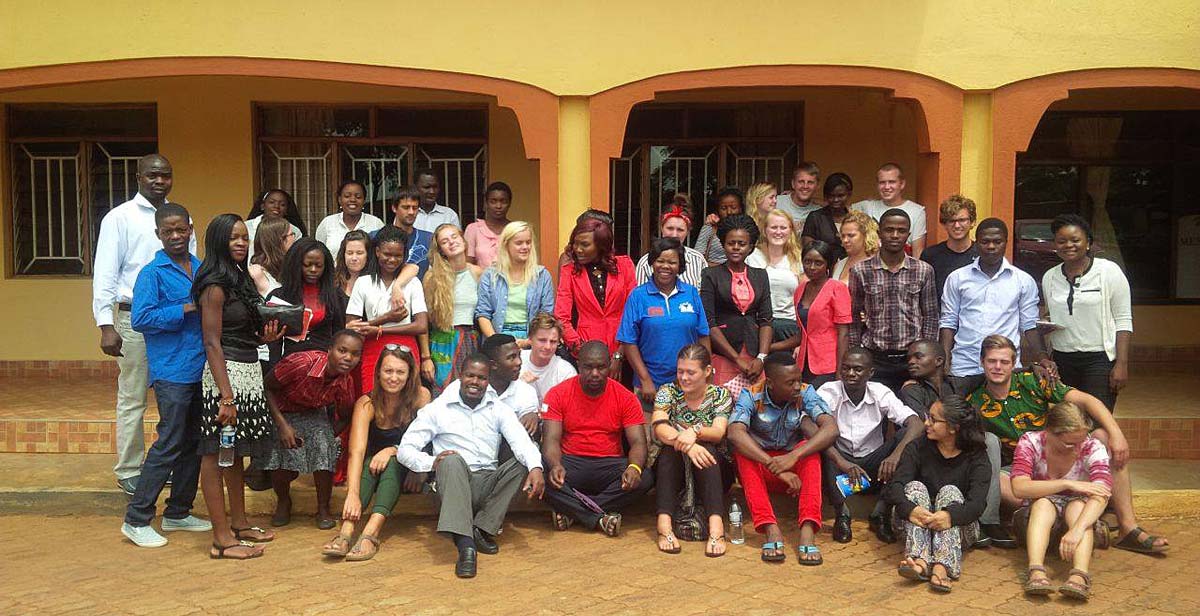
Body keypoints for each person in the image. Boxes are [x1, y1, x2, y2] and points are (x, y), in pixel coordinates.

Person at [967, 335, 1168, 555]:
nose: (998, 367)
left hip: (1059, 456)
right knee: (996, 481)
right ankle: (1075, 523)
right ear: (982, 362)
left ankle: (1127, 529)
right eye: (991, 361)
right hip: (1020, 469)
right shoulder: (975, 401)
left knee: (1105, 438)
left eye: (1004, 362)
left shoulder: (1034, 381)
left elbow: (1088, 401)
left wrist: (1117, 433)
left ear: (1014, 363)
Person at [92, 153, 191, 495]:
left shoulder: (180, 216)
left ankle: (167, 464)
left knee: (174, 395)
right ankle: (130, 469)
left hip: (178, 322)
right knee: (133, 397)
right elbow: (105, 273)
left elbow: (190, 267)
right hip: (134, 319)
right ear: (138, 176)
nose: (159, 181)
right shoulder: (119, 218)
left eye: (165, 175)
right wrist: (106, 324)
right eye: (152, 175)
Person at [397, 354, 546, 578]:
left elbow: (521, 442)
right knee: (452, 459)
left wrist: (536, 467)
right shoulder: (438, 409)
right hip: (452, 484)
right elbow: (405, 450)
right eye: (470, 375)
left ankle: (482, 528)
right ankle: (466, 546)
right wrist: (431, 462)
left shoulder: (498, 408)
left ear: (488, 380)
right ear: (460, 375)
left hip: (487, 482)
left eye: (481, 378)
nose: (475, 382)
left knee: (525, 460)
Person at [121, 203, 211, 547]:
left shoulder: (201, 268)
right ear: (158, 234)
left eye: (181, 230)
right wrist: (184, 309)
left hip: (200, 366)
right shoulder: (152, 273)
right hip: (172, 369)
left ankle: (178, 512)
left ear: (190, 229)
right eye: (168, 232)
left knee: (193, 441)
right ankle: (137, 518)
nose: (176, 236)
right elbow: (140, 318)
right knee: (170, 441)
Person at [194, 213, 282, 559]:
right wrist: (226, 396)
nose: (241, 244)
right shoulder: (215, 284)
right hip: (225, 376)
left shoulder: (240, 279)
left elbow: (241, 330)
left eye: (245, 237)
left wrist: (265, 335)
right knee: (215, 455)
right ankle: (221, 538)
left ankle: (240, 523)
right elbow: (212, 342)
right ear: (218, 241)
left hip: (246, 370)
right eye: (233, 238)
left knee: (235, 453)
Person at [898, 340, 1014, 548]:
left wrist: (1034, 366)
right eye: (909, 358)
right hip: (929, 443)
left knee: (990, 440)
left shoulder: (957, 384)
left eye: (918, 357)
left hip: (956, 441)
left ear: (939, 361)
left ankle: (989, 520)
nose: (911, 362)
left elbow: (989, 374)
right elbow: (924, 420)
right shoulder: (912, 390)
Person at [322, 345, 432, 561]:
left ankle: (370, 533)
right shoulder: (367, 403)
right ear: (378, 373)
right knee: (374, 462)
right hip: (371, 468)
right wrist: (352, 494)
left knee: (392, 461)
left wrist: (396, 453)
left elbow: (428, 440)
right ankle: (346, 532)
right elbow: (356, 452)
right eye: (388, 371)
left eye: (400, 372)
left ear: (410, 375)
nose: (393, 378)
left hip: (408, 467)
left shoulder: (421, 397)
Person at [728, 352, 837, 565]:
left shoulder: (806, 392)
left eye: (798, 379)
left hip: (794, 468)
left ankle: (808, 529)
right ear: (770, 383)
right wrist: (775, 465)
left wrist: (793, 456)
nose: (797, 386)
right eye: (790, 382)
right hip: (764, 467)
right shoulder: (751, 395)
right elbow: (734, 433)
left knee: (810, 451)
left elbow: (831, 429)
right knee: (743, 452)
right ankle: (770, 528)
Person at [542, 342, 653, 536]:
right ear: (579, 365)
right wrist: (554, 465)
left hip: (609, 465)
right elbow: (551, 440)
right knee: (541, 472)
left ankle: (574, 512)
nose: (595, 373)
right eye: (588, 367)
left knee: (645, 477)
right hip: (570, 464)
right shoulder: (557, 394)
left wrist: (634, 468)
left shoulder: (625, 397)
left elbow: (638, 442)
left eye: (601, 367)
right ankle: (599, 517)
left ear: (610, 364)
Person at [886, 394, 991, 593]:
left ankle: (942, 567)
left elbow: (977, 504)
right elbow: (896, 487)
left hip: (959, 527)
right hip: (914, 521)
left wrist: (949, 516)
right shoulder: (917, 447)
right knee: (915, 487)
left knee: (950, 492)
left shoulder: (977, 455)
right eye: (928, 417)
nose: (926, 423)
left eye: (933, 420)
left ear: (953, 428)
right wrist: (911, 510)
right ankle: (919, 561)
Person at [818, 347, 924, 544]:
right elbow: (809, 426)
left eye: (858, 369)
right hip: (841, 466)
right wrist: (842, 462)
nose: (850, 374)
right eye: (846, 368)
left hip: (874, 466)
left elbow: (916, 423)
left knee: (906, 439)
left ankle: (880, 513)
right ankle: (842, 514)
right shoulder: (828, 391)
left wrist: (895, 456)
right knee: (821, 445)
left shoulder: (880, 392)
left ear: (871, 373)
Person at [1011, 401, 1113, 601]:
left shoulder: (1092, 446)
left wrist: (1076, 530)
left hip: (1077, 528)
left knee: (1077, 507)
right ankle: (1036, 570)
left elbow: (1102, 493)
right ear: (1049, 432)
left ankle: (1079, 574)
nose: (1076, 448)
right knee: (1042, 504)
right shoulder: (1031, 442)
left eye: (1080, 441)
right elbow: (1019, 487)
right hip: (1036, 522)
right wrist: (1067, 484)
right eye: (1069, 443)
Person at [261, 331, 363, 529]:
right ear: (329, 350)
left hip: (313, 413)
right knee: (280, 447)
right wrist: (282, 425)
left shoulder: (345, 382)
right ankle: (283, 501)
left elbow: (345, 415)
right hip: (280, 410)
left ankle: (323, 508)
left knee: (323, 442)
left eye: (354, 354)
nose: (348, 358)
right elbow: (267, 387)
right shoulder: (300, 363)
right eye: (342, 350)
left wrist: (326, 438)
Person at [1042, 213, 1133, 412]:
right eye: (1062, 241)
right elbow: (1052, 314)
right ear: (1055, 245)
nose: (1069, 245)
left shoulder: (1109, 272)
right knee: (1068, 422)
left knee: (1097, 422)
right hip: (1062, 360)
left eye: (1075, 240)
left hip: (1099, 361)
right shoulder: (1050, 277)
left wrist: (1122, 364)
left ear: (1088, 243)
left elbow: (1124, 321)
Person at [939, 218, 1047, 378]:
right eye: (985, 241)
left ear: (1006, 243)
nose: (991, 246)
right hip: (964, 365)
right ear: (976, 243)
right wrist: (945, 361)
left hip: (1004, 367)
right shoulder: (957, 278)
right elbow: (948, 322)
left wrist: (1042, 358)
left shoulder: (1023, 280)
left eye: (997, 242)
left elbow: (1029, 325)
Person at [651, 345, 732, 557]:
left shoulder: (720, 395)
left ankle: (716, 528)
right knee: (670, 452)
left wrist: (695, 432)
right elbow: (659, 426)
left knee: (708, 451)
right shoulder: (667, 391)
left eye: (691, 372)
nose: (684, 378)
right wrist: (686, 442)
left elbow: (718, 432)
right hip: (675, 464)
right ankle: (664, 526)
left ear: (707, 371)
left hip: (713, 469)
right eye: (680, 371)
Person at [848, 208, 938, 393]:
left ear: (908, 234)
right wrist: (857, 352)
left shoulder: (923, 270)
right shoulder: (860, 271)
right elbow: (853, 316)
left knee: (913, 414)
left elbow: (930, 316)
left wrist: (926, 356)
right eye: (889, 230)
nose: (895, 235)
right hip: (875, 358)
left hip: (912, 360)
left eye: (901, 230)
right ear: (879, 233)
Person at [618, 237, 710, 406]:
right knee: (649, 432)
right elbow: (628, 341)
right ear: (652, 263)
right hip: (650, 386)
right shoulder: (638, 296)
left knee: (686, 432)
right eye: (660, 261)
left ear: (680, 266)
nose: (665, 266)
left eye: (672, 262)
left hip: (688, 384)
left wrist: (704, 375)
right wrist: (645, 380)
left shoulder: (691, 293)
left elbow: (703, 335)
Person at [700, 214, 773, 396]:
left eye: (742, 244)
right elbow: (709, 322)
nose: (736, 248)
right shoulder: (711, 274)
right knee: (722, 409)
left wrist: (762, 358)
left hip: (754, 356)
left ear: (751, 247)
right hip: (724, 355)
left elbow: (766, 320)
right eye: (731, 243)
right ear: (723, 244)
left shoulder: (761, 275)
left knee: (755, 409)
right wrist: (736, 358)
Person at [347, 225, 428, 388]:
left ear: (405, 255)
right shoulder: (364, 282)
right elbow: (351, 327)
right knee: (372, 397)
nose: (392, 260)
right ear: (377, 252)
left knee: (405, 400)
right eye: (387, 254)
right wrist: (386, 318)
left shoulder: (412, 282)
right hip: (372, 347)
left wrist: (380, 329)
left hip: (406, 349)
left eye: (398, 255)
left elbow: (422, 325)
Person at [555, 217, 637, 371]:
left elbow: (633, 313)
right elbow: (561, 317)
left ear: (601, 246)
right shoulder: (570, 271)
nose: (578, 249)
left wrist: (620, 354)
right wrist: (582, 351)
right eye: (575, 243)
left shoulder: (624, 265)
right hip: (585, 350)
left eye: (584, 244)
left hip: (623, 347)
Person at [776, 241, 850, 388]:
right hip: (804, 362)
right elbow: (803, 333)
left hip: (829, 363)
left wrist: (840, 372)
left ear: (828, 264)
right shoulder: (800, 289)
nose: (812, 267)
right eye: (807, 262)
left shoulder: (837, 288)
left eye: (818, 263)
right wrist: (770, 348)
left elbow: (844, 334)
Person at [420, 223, 483, 394]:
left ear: (463, 239)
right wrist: (426, 357)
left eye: (454, 237)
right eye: (444, 241)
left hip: (471, 340)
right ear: (440, 250)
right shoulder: (432, 277)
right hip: (442, 343)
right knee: (443, 395)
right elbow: (424, 320)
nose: (451, 242)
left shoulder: (477, 273)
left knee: (469, 393)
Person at [476, 221, 555, 347]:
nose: (525, 247)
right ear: (506, 245)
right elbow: (483, 313)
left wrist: (529, 341)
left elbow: (546, 314)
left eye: (528, 242)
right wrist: (497, 341)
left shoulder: (542, 275)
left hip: (532, 341)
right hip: (497, 339)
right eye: (519, 243)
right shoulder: (490, 275)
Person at [268, 238, 346, 357]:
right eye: (307, 265)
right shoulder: (280, 296)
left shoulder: (335, 296)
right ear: (295, 265)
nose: (313, 270)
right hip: (291, 363)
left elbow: (339, 334)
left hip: (323, 362)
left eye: (318, 266)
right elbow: (274, 343)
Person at [746, 209, 804, 345]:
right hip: (759, 324)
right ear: (765, 230)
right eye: (773, 227)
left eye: (783, 227)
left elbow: (805, 298)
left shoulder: (799, 258)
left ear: (790, 230)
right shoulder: (752, 256)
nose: (778, 232)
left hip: (789, 326)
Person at [851, 163, 927, 258]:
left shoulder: (917, 211)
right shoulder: (866, 207)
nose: (887, 187)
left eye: (892, 182)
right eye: (882, 182)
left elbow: (918, 251)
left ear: (902, 184)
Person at [920, 194, 978, 303]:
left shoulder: (982, 255)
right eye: (951, 221)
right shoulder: (930, 255)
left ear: (972, 222)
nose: (956, 225)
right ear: (944, 224)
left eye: (962, 220)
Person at [480, 334, 541, 436]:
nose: (519, 362)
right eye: (511, 358)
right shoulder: (471, 388)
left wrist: (532, 416)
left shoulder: (526, 392)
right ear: (493, 364)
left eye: (519, 355)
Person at [634, 206, 709, 288]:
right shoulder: (645, 263)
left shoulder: (698, 259)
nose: (674, 235)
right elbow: (640, 297)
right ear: (661, 229)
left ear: (687, 232)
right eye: (670, 228)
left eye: (680, 230)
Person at [314, 180, 385, 255]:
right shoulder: (328, 223)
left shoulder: (375, 223)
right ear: (339, 200)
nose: (353, 200)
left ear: (364, 200)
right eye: (347, 196)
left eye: (358, 197)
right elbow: (319, 252)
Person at [379, 187, 434, 281]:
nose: (411, 212)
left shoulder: (429, 238)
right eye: (406, 207)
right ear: (394, 208)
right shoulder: (377, 236)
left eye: (415, 208)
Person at [519, 313, 577, 403]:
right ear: (530, 339)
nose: (548, 347)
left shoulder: (566, 372)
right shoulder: (516, 362)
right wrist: (519, 387)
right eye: (542, 340)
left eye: (553, 341)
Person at [801, 172, 852, 263]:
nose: (836, 200)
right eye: (831, 196)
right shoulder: (815, 218)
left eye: (840, 196)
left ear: (849, 194)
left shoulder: (855, 219)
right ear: (825, 196)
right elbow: (808, 249)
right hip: (822, 270)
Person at [245, 188, 306, 260]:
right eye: (272, 202)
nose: (276, 206)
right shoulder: (246, 227)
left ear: (286, 210)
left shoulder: (294, 231)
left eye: (282, 204)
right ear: (262, 206)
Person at [463, 181, 513, 268]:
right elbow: (468, 265)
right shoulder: (473, 229)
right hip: (479, 280)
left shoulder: (515, 230)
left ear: (509, 204)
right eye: (493, 201)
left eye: (503, 201)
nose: (498, 206)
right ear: (486, 204)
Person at [695, 187, 744, 266]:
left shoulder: (746, 228)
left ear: (741, 208)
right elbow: (697, 257)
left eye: (733, 207)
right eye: (723, 208)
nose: (729, 212)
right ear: (718, 210)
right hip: (712, 275)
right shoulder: (711, 227)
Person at [248, 215, 294, 299]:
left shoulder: (291, 266)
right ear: (280, 240)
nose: (294, 239)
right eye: (291, 234)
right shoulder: (256, 272)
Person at [832, 209, 878, 285]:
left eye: (851, 235)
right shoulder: (839, 265)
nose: (845, 240)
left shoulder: (876, 265)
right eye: (843, 236)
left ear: (866, 235)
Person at [412, 167, 461, 233]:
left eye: (435, 187)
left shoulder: (449, 215)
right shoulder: (409, 214)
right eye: (427, 187)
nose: (432, 191)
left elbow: (456, 241)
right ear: (415, 188)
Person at [776, 161, 822, 230]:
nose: (805, 186)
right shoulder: (776, 203)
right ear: (793, 184)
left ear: (817, 186)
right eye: (801, 182)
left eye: (810, 182)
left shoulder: (820, 212)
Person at [333, 229, 371, 300]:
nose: (354, 258)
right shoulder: (333, 281)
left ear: (368, 254)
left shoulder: (376, 282)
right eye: (350, 253)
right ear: (343, 254)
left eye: (359, 253)